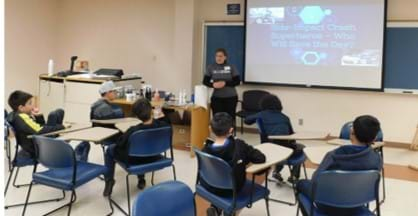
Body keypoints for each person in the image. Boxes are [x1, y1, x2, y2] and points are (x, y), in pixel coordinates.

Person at [297, 115, 383, 216]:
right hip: (355, 203)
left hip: (327, 203)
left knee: (300, 184)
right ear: (374, 138)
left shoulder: (334, 156)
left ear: (352, 133)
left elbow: (316, 180)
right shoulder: (376, 159)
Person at [200, 112, 266, 215]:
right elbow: (261, 158)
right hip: (232, 189)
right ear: (231, 130)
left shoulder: (205, 149)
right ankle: (228, 211)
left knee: (220, 175)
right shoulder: (239, 145)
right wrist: (245, 160)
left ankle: (216, 207)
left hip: (209, 185)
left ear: (210, 129)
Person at [103, 98, 170, 196]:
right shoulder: (165, 126)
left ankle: (109, 181)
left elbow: (120, 145)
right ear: (151, 110)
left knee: (110, 149)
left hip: (135, 161)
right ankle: (141, 179)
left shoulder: (133, 131)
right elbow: (164, 121)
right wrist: (160, 114)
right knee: (140, 148)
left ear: (137, 116)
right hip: (156, 157)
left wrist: (119, 138)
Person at [7, 90, 90, 161]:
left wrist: (39, 116)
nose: (33, 106)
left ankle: (60, 138)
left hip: (37, 142)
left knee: (57, 112)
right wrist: (62, 127)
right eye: (30, 103)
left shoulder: (18, 115)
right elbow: (39, 130)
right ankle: (60, 140)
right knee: (56, 114)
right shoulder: (21, 117)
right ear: (21, 107)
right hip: (39, 147)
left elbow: (38, 127)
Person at [245, 94, 304, 183]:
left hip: (268, 148)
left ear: (263, 104)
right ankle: (294, 176)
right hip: (286, 149)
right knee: (302, 148)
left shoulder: (261, 115)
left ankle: (276, 172)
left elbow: (247, 120)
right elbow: (291, 135)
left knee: (281, 147)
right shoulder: (285, 117)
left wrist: (256, 118)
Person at [203, 48, 241, 119]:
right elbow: (205, 81)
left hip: (231, 98)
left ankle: (230, 130)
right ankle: (218, 130)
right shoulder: (211, 67)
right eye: (217, 56)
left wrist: (225, 83)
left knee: (230, 118)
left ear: (225, 57)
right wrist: (213, 85)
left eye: (220, 56)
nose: (218, 58)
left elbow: (237, 81)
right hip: (217, 98)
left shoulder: (231, 67)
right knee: (217, 119)